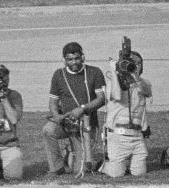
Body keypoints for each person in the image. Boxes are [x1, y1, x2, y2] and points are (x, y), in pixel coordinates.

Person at [43, 42, 107, 177]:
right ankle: (57, 167)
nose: (74, 62)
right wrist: (56, 116)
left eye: (77, 58)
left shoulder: (94, 72)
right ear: (64, 60)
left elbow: (102, 99)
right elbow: (53, 102)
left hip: (87, 126)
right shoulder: (58, 75)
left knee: (79, 171)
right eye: (70, 59)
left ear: (83, 57)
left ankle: (72, 156)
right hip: (66, 123)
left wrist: (82, 109)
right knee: (48, 130)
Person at [101, 48, 152, 178]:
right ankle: (104, 166)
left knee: (139, 173)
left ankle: (123, 163)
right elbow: (117, 96)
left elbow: (147, 92)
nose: (135, 66)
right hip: (118, 136)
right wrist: (113, 71)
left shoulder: (143, 83)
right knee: (117, 174)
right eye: (132, 63)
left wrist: (135, 76)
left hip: (137, 136)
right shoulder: (113, 82)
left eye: (138, 63)